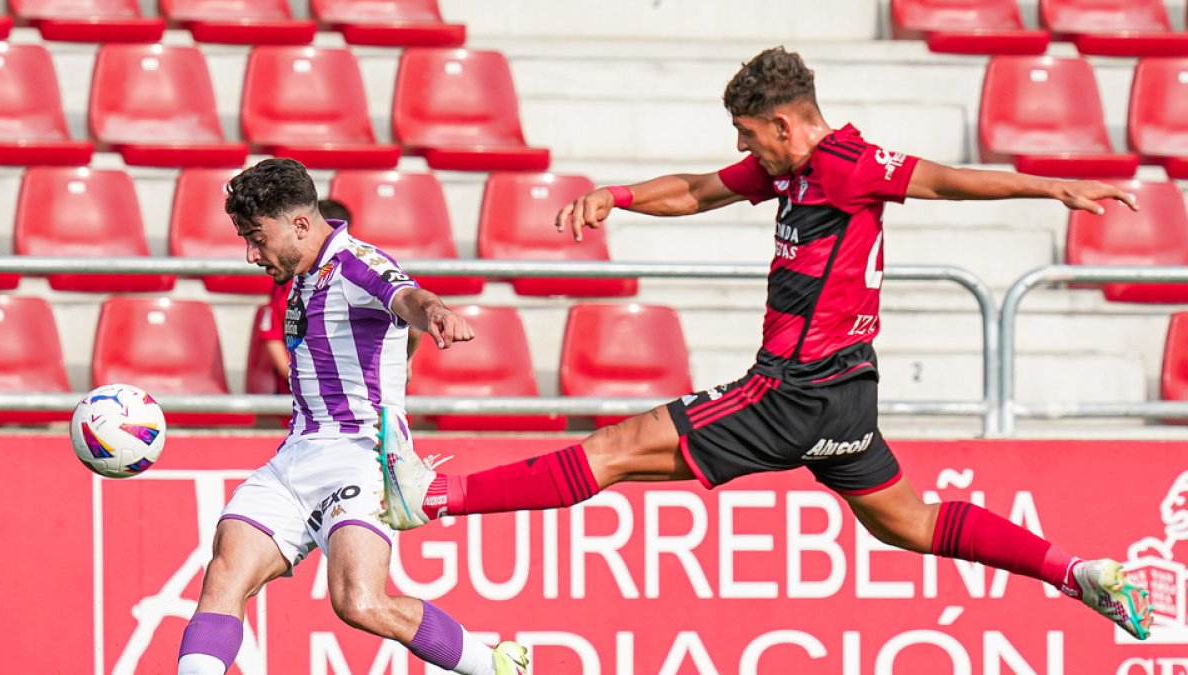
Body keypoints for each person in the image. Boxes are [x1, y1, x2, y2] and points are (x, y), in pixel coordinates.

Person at [379, 47, 1156, 640]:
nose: (746, 148)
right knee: (909, 523)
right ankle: (1080, 571)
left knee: (615, 446)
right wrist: (614, 196)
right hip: (844, 389)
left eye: (751, 134)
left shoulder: (848, 164)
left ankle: (431, 498)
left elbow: (944, 180)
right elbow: (698, 189)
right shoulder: (787, 171)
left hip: (796, 386)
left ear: (787, 124)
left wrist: (1054, 186)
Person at [177, 159, 530, 675]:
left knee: (359, 603)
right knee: (224, 576)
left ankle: (495, 665)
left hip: (360, 457)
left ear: (299, 225)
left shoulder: (355, 264)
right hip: (296, 457)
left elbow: (405, 295)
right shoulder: (299, 274)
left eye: (256, 237)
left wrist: (434, 313)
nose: (251, 254)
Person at [256, 198, 422, 394]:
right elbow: (413, 327)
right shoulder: (367, 273)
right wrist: (403, 363)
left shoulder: (294, 285)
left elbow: (412, 326)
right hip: (335, 403)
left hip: (337, 405)